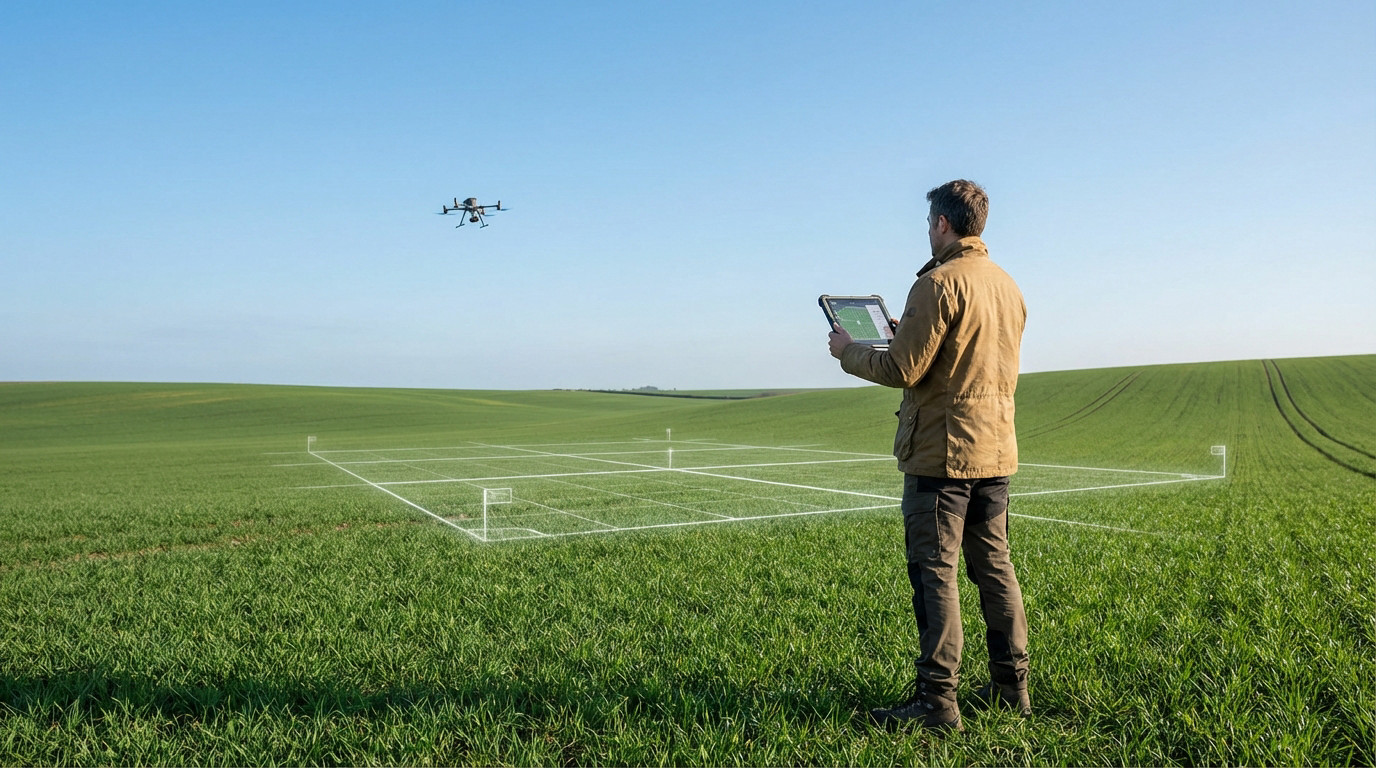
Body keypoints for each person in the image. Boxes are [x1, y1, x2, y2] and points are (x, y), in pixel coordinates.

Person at [827, 179, 1030, 732]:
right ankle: (1013, 689)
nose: (928, 231)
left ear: (942, 223)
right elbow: (968, 358)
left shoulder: (937, 284)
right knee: (995, 569)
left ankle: (938, 703)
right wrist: (904, 335)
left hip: (942, 458)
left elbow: (902, 370)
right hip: (996, 452)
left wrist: (851, 352)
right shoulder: (1007, 285)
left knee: (935, 574)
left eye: (928, 223)